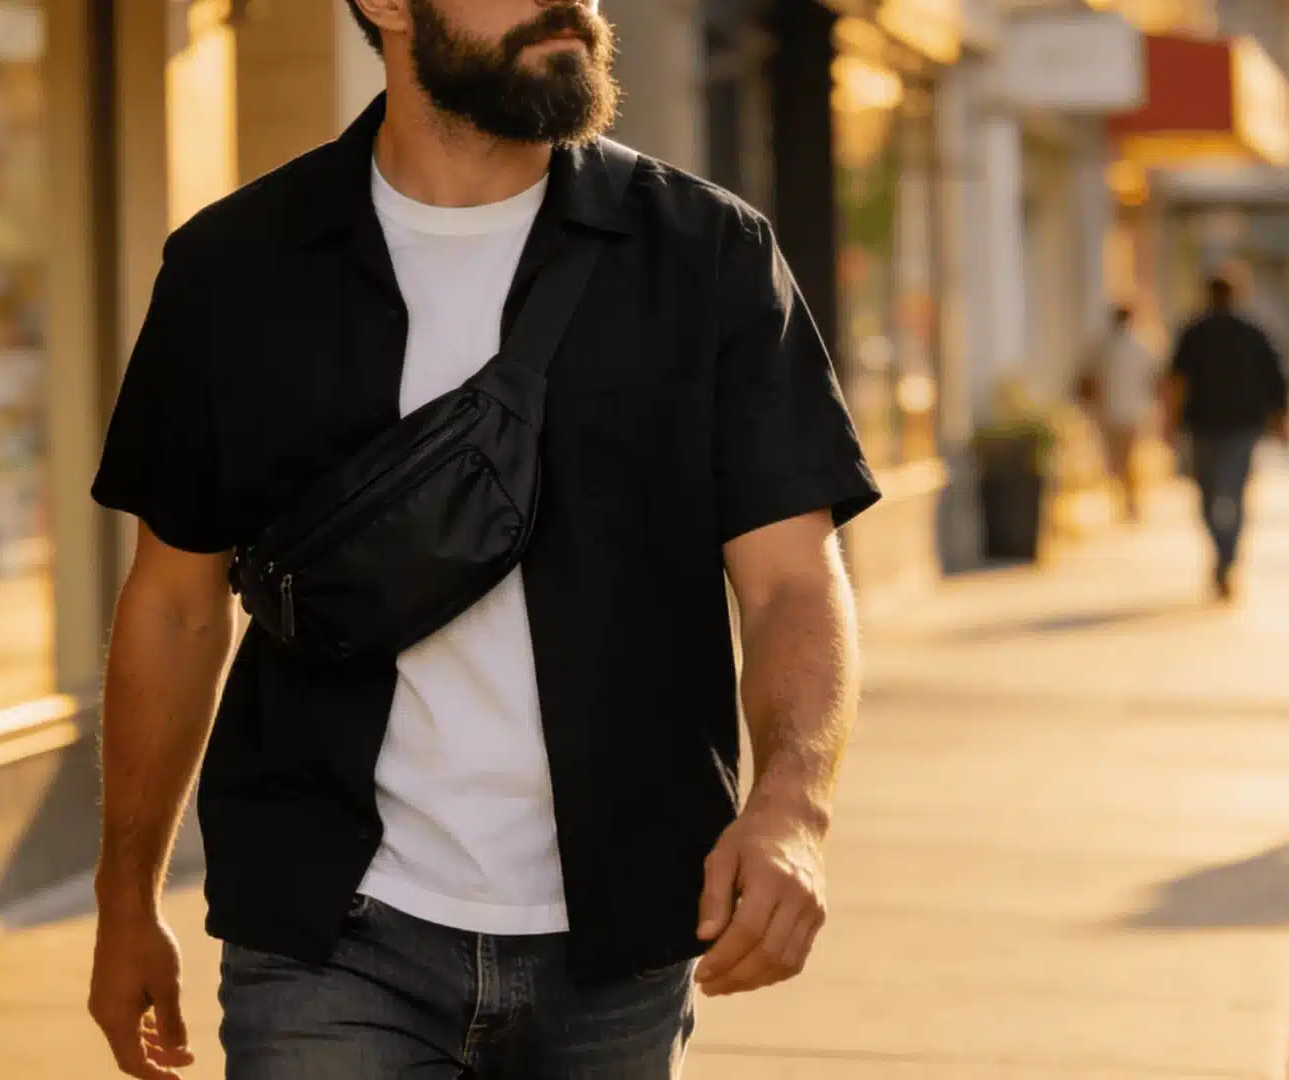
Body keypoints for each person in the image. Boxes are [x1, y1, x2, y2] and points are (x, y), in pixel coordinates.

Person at [84, 2, 880, 1078]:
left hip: (620, 940)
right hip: (327, 931)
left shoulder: (706, 257)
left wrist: (793, 808)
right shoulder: (238, 268)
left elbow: (792, 583)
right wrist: (124, 898)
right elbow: (176, 604)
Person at [1162, 272, 1289, 601]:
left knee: (1216, 493)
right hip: (1226, 426)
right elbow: (1277, 381)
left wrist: (1170, 422)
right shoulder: (1228, 333)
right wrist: (1281, 422)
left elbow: (1176, 383)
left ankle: (1225, 554)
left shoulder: (1208, 333)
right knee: (1226, 493)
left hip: (1218, 426)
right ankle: (1226, 552)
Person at [1080, 305, 1160, 523]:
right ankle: (1128, 500)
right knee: (1127, 459)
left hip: (1110, 412)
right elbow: (1153, 380)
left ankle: (1127, 500)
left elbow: (1087, 379)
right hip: (1133, 412)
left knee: (1117, 460)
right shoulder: (1140, 347)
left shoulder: (1102, 348)